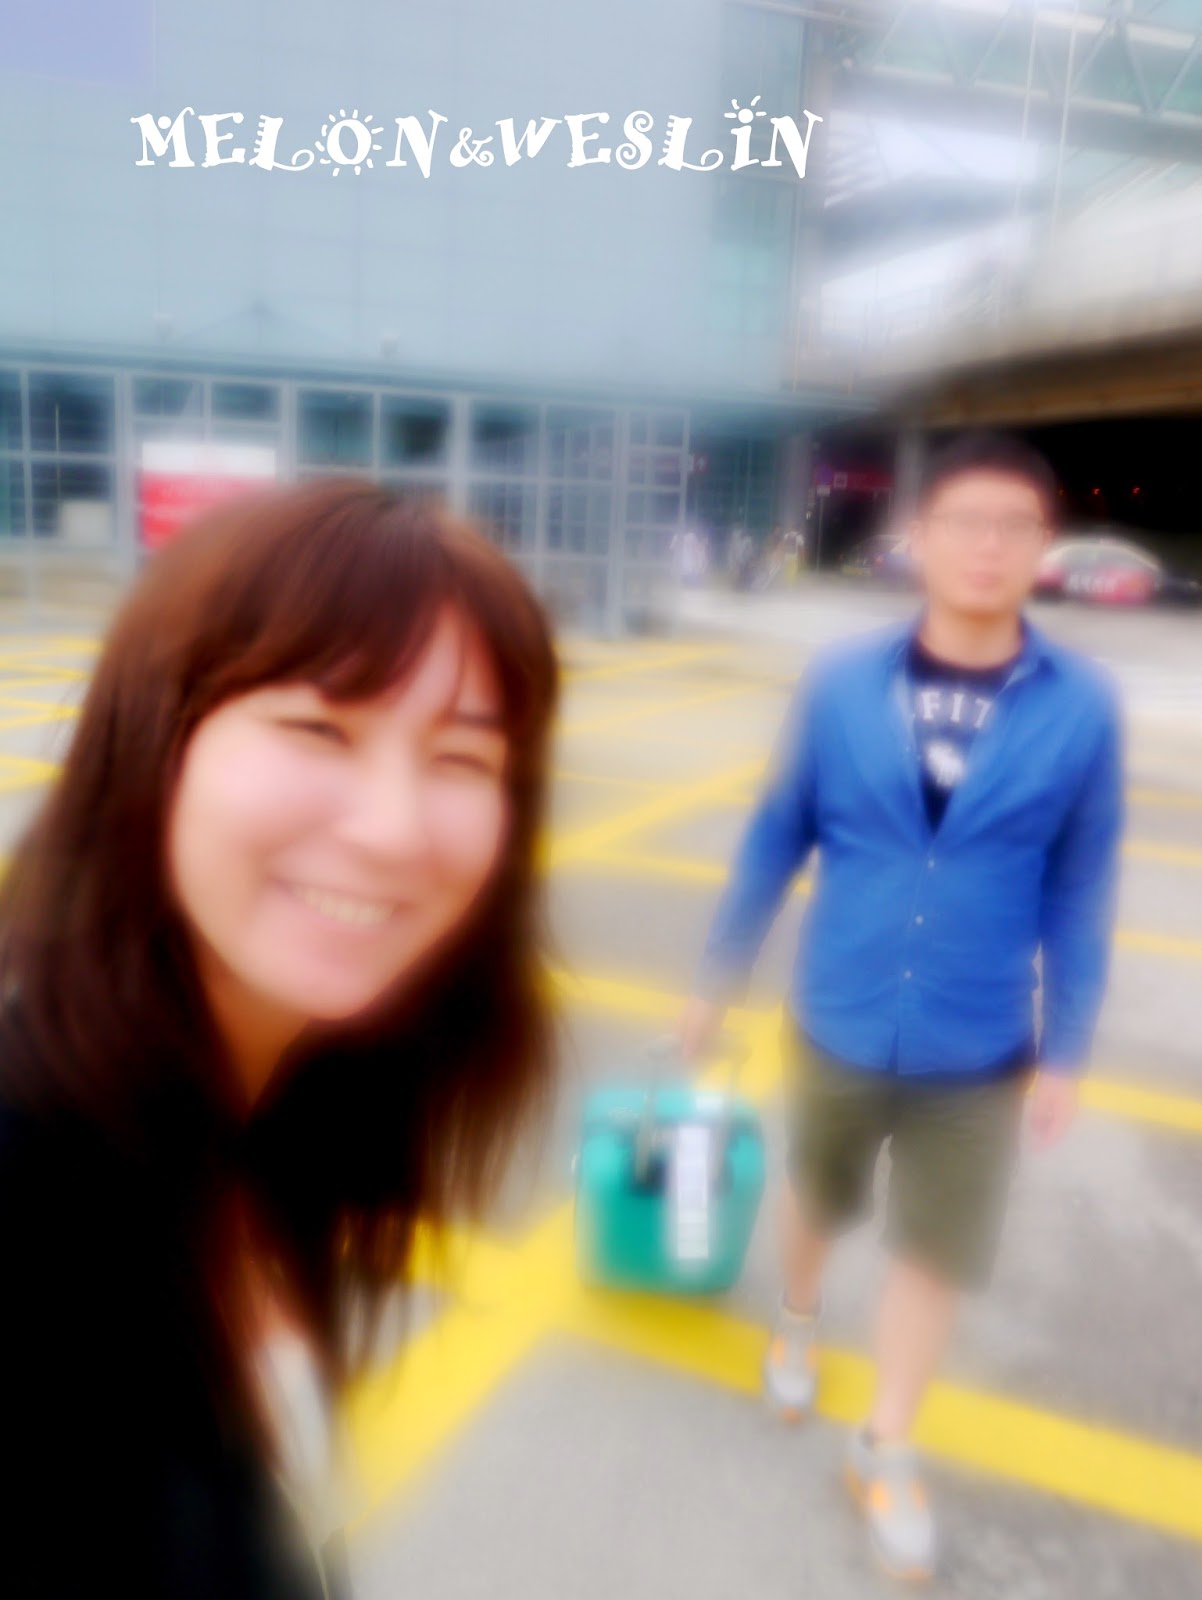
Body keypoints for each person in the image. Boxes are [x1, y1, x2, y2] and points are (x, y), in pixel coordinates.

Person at [0, 480, 560, 1596]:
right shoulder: (25, 1178)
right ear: (152, 740)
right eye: (317, 728)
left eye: (461, 757)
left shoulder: (289, 1102)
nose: (392, 830)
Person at [678, 432, 1123, 1581]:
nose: (986, 547)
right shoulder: (839, 682)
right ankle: (796, 1314)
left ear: (1042, 546)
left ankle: (885, 1442)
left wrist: (1067, 1046)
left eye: (1013, 527)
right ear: (916, 538)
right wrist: (716, 976)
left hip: (979, 1038)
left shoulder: (1081, 707)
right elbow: (775, 832)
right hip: (838, 1009)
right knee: (816, 1190)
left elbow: (1079, 885)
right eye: (963, 522)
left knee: (935, 1245)